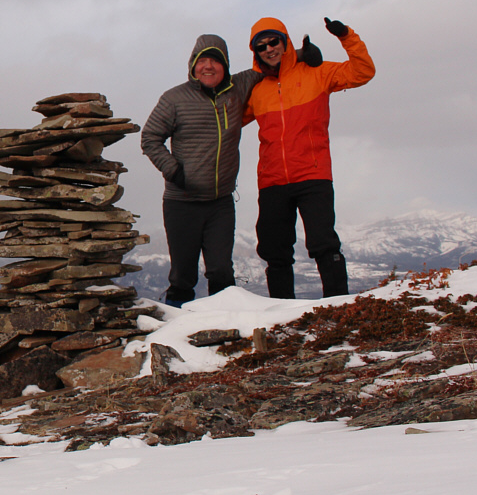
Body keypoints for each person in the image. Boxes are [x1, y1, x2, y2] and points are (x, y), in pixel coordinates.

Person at [142, 35, 322, 307]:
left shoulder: (238, 86)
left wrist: (301, 54)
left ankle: (223, 331)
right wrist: (174, 171)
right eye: (202, 61)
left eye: (215, 60)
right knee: (183, 275)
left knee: (221, 272)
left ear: (225, 65)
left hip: (221, 203)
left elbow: (268, 64)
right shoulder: (174, 98)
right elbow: (150, 138)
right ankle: (174, 332)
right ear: (193, 65)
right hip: (182, 203)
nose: (208, 66)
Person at [245, 17, 375, 299]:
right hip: (272, 180)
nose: (269, 49)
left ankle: (338, 308)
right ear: (255, 52)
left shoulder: (317, 72)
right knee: (274, 251)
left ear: (285, 41)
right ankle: (280, 317)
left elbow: (363, 72)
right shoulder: (255, 88)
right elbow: (225, 119)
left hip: (313, 175)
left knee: (323, 244)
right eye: (261, 46)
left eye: (274, 41)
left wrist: (345, 35)